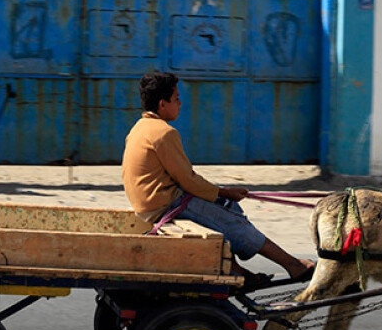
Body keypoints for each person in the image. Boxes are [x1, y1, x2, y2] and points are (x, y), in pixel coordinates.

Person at [122, 71, 315, 286]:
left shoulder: (139, 128)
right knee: (233, 222)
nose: (180, 104)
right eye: (176, 99)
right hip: (166, 204)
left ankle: (237, 268)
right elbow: (189, 180)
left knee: (227, 207)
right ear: (162, 104)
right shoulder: (163, 133)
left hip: (151, 204)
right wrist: (224, 191)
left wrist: (223, 194)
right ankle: (294, 266)